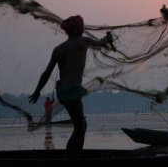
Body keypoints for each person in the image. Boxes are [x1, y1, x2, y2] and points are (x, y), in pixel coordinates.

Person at [29, 15, 113, 158]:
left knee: (80, 126)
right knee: (81, 127)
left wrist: (37, 91)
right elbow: (100, 43)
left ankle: (73, 156)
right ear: (78, 30)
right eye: (81, 26)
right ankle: (71, 157)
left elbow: (46, 73)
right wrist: (108, 39)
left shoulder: (59, 49)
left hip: (63, 91)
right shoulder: (83, 41)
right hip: (72, 90)